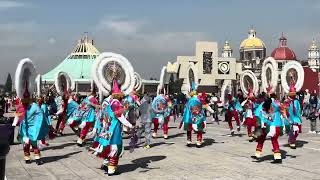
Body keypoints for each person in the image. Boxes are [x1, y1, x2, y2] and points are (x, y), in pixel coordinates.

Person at [93, 79, 133, 176]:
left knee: (108, 147)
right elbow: (120, 116)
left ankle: (106, 164)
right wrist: (130, 125)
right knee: (115, 148)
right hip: (114, 129)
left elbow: (103, 115)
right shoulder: (116, 103)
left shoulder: (107, 101)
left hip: (107, 128)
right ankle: (111, 169)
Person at [253, 85, 286, 163]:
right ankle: (258, 154)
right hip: (274, 124)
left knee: (268, 138)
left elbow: (259, 112)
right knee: (270, 139)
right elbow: (283, 111)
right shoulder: (277, 103)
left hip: (272, 125)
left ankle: (277, 158)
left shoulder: (271, 103)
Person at [285, 84, 302, 149]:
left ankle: (292, 139)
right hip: (289, 117)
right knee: (291, 130)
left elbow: (299, 109)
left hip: (296, 117)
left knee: (296, 131)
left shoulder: (297, 101)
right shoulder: (287, 101)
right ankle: (292, 142)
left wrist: (299, 117)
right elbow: (284, 110)